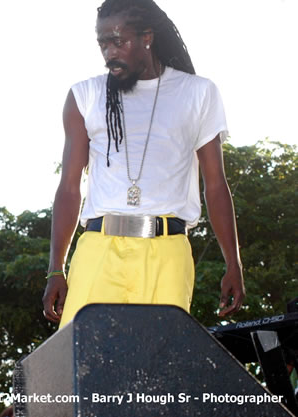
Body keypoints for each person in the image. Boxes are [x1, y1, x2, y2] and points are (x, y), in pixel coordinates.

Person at [42, 0, 245, 327]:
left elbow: (216, 184)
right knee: (85, 364)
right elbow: (68, 187)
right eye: (102, 43)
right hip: (98, 249)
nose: (109, 52)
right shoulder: (85, 95)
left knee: (157, 368)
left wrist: (233, 263)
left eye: (118, 41)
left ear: (147, 37)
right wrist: (56, 268)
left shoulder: (198, 93)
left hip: (167, 252)